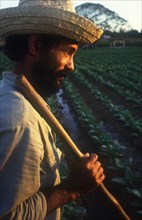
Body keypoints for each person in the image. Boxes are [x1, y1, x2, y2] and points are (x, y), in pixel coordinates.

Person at [0, 0, 105, 219]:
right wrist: (72, 189)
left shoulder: (12, 93)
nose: (71, 65)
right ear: (36, 45)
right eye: (68, 51)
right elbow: (9, 215)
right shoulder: (20, 120)